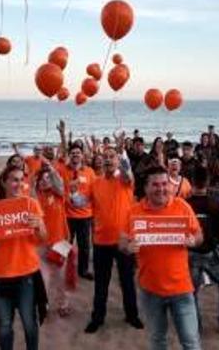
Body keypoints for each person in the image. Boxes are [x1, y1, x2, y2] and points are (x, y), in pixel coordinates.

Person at [121, 165, 203, 350]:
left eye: (165, 184)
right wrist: (128, 247)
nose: (161, 189)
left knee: (191, 342)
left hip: (181, 289)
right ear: (146, 188)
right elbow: (122, 242)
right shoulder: (134, 211)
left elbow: (199, 235)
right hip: (150, 290)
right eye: (155, 185)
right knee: (157, 341)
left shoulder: (182, 206)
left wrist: (193, 240)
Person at [81, 139, 144, 333]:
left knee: (127, 281)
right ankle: (97, 318)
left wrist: (123, 154)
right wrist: (75, 196)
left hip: (124, 241)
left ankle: (132, 315)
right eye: (105, 157)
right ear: (100, 161)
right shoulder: (95, 182)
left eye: (111, 157)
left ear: (117, 160)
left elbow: (128, 173)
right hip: (101, 241)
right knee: (101, 283)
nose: (108, 160)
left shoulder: (125, 180)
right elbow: (83, 201)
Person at [0, 166, 47, 350]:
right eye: (14, 180)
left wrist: (38, 226)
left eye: (21, 180)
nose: (18, 184)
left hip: (27, 273)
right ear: (3, 182)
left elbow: (43, 239)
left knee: (29, 323)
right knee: (4, 326)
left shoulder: (31, 204)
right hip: (0, 275)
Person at [185, 166, 219, 334]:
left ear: (191, 182)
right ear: (208, 182)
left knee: (193, 292)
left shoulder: (185, 205)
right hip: (212, 252)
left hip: (192, 253)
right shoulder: (216, 203)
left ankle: (197, 326)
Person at [34, 162, 72, 317]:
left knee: (60, 276)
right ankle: (45, 304)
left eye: (48, 179)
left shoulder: (59, 195)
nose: (45, 181)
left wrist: (51, 169)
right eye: (42, 179)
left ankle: (63, 304)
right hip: (40, 243)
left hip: (60, 241)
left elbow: (59, 183)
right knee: (43, 277)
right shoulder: (34, 198)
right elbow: (29, 185)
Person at [57, 143, 96, 280]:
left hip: (85, 215)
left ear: (82, 155)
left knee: (84, 245)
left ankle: (83, 270)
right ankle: (59, 267)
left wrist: (83, 201)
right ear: (69, 155)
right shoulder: (61, 170)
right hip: (67, 214)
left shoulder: (90, 172)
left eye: (78, 153)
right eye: (73, 153)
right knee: (64, 242)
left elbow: (94, 193)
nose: (75, 155)